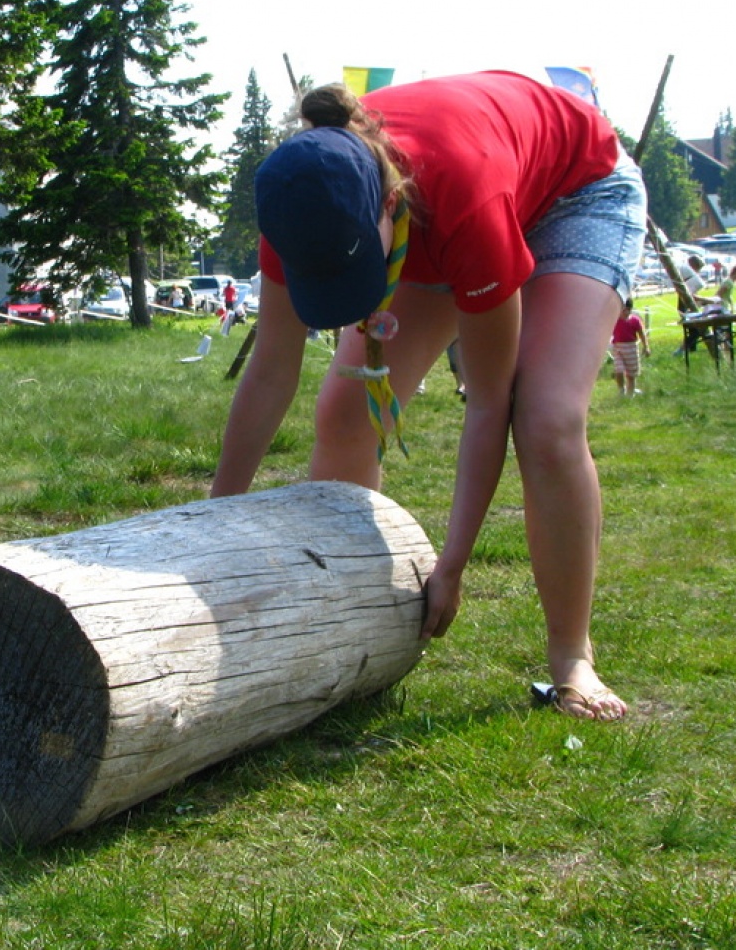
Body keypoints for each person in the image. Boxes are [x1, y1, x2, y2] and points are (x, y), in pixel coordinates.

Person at [212, 73, 647, 722]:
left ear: (388, 207)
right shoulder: (297, 200)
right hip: (437, 214)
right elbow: (273, 366)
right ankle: (351, 620)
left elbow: (488, 402)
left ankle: (570, 656)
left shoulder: (468, 198)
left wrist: (453, 562)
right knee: (345, 411)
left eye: (352, 273)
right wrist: (216, 519)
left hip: (579, 191)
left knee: (545, 416)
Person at [610, 299, 650, 397]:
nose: (623, 313)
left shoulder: (635, 320)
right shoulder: (615, 320)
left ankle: (630, 393)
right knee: (618, 370)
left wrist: (646, 347)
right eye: (621, 310)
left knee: (631, 374)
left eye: (626, 310)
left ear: (630, 310)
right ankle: (621, 390)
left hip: (631, 348)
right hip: (618, 348)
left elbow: (641, 334)